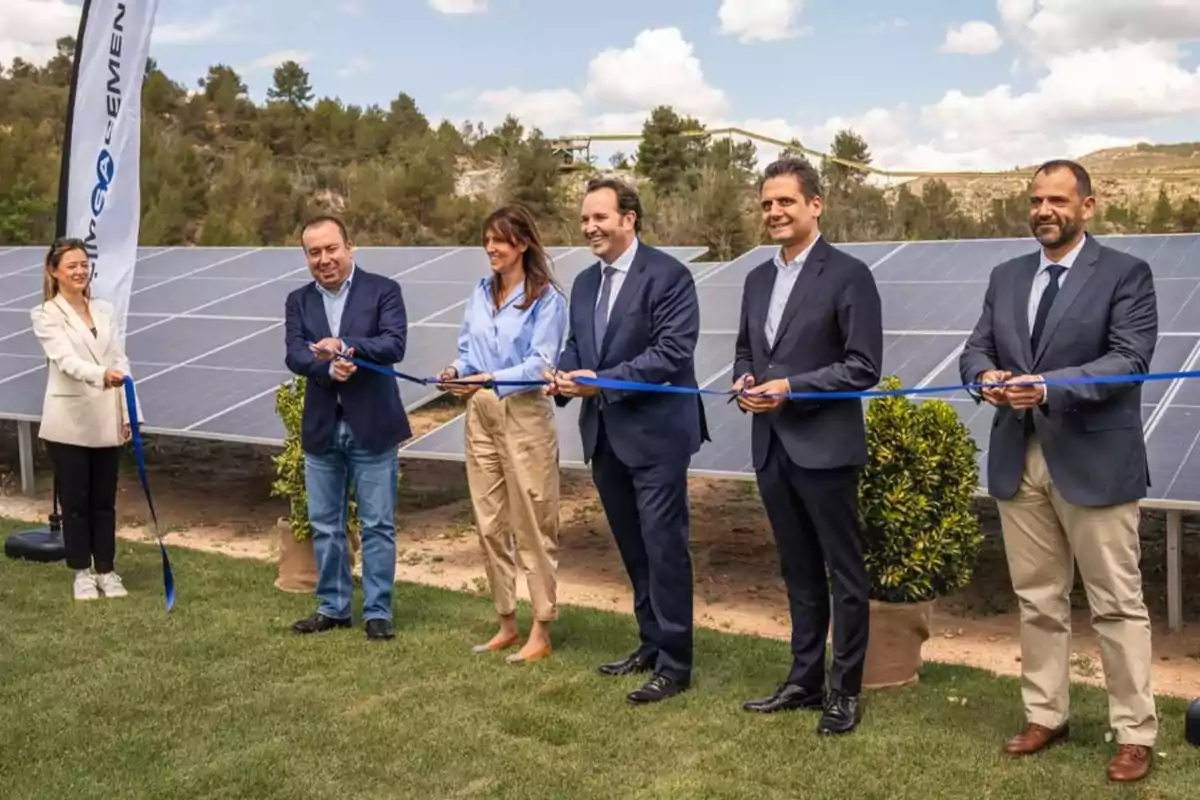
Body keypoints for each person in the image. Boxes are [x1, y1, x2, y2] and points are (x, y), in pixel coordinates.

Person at [958, 159, 1158, 783]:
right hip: (1019, 459)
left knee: (1116, 604)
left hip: (1094, 460)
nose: (1044, 210)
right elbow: (976, 347)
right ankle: (1046, 713)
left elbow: (1129, 359)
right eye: (1036, 199)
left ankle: (1134, 732)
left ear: (1088, 207)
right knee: (1039, 599)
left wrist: (1046, 386)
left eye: (1058, 200)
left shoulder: (1126, 274)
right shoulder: (1007, 275)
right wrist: (983, 377)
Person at [731, 156, 882, 735]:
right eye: (767, 203)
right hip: (771, 446)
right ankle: (802, 681)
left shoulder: (849, 275)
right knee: (797, 572)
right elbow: (749, 351)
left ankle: (844, 691)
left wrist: (791, 388)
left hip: (825, 448)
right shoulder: (756, 279)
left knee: (844, 574)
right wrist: (746, 380)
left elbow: (863, 367)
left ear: (816, 205)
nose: (774, 211)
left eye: (786, 201)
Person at [547, 177, 708, 705]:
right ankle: (650, 642)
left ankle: (676, 663)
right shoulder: (586, 284)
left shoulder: (669, 276)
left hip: (658, 436)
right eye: (585, 220)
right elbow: (577, 346)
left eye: (600, 217)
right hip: (605, 436)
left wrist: (600, 380)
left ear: (629, 219)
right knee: (633, 548)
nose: (590, 227)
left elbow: (671, 353)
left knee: (664, 549)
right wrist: (565, 376)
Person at [436, 204, 568, 664]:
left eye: (500, 240)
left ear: (523, 243)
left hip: (524, 413)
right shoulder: (479, 291)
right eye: (487, 239)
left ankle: (541, 629)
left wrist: (487, 377)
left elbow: (540, 364)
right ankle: (506, 622)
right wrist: (456, 372)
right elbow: (468, 350)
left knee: (532, 522)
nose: (491, 248)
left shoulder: (547, 299)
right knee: (490, 523)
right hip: (482, 414)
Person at [284, 215, 410, 642]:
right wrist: (324, 368)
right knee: (325, 524)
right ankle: (333, 607)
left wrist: (347, 347)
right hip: (323, 427)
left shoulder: (383, 291)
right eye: (314, 252)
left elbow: (395, 343)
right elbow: (294, 355)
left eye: (331, 249)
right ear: (306, 257)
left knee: (377, 524)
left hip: (372, 425)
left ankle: (378, 611)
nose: (324, 259)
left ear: (349, 247)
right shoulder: (298, 300)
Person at [30, 236, 140, 601]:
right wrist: (101, 375)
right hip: (69, 420)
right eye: (71, 265)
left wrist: (128, 412)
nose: (80, 271)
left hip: (107, 417)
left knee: (104, 501)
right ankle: (82, 571)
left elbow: (120, 358)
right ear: (54, 271)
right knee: (75, 502)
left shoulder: (105, 309)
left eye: (83, 264)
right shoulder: (46, 315)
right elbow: (65, 361)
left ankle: (107, 570)